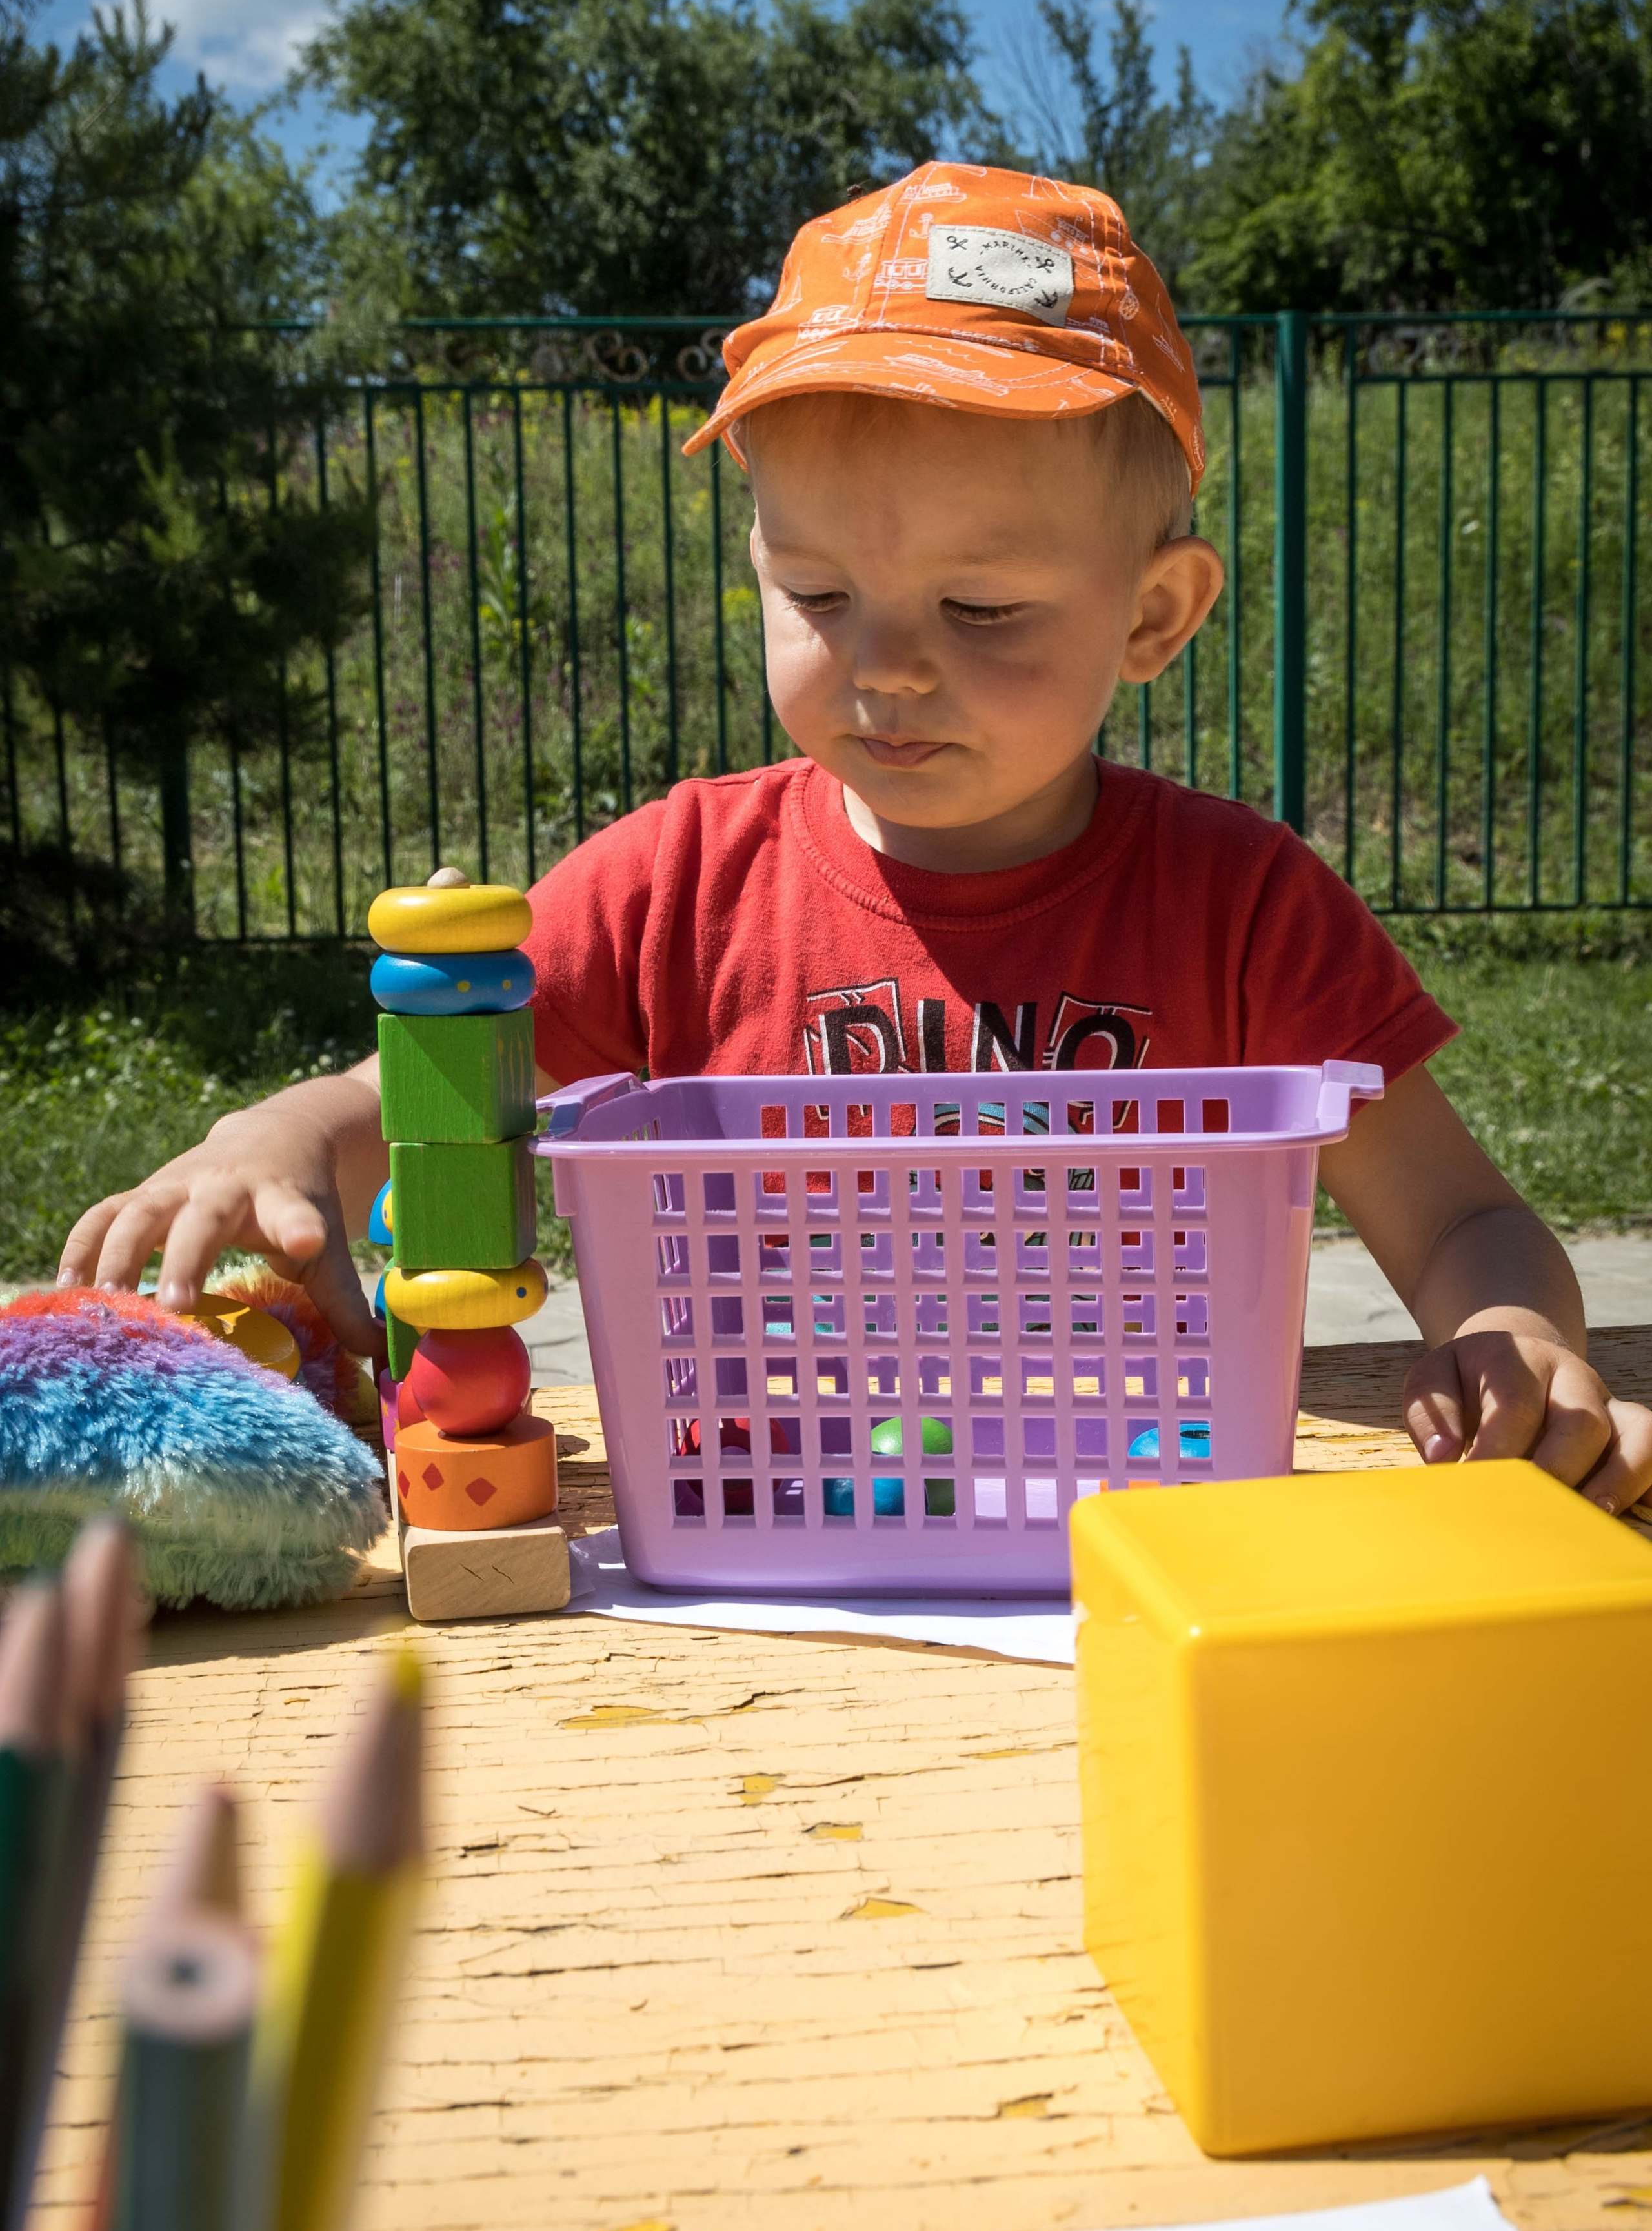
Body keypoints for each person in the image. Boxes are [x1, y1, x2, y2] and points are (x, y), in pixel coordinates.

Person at [59, 165, 1652, 1511]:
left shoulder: (1242, 908)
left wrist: (1509, 1339)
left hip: (1147, 1540)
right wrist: (274, 1134)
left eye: (982, 608)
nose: (886, 668)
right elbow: (422, 1097)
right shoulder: (674, 886)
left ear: (1154, 616)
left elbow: (1462, 1221)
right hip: (764, 1547)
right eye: (817, 595)